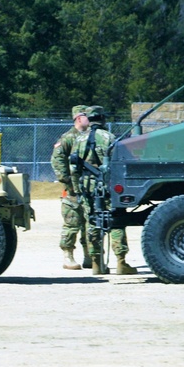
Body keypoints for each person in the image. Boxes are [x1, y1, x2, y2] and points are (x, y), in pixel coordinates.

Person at [71, 105, 138, 276]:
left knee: (92, 221)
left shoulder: (79, 139)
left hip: (87, 186)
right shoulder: (110, 138)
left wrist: (78, 189)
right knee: (116, 219)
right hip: (107, 186)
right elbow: (119, 163)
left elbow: (74, 167)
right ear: (102, 119)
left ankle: (96, 263)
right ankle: (121, 262)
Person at [50, 105, 89, 270]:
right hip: (73, 189)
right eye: (87, 116)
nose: (90, 119)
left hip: (88, 187)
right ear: (79, 118)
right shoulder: (69, 138)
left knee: (89, 223)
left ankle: (89, 255)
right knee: (72, 222)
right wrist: (68, 181)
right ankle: (68, 256)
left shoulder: (90, 136)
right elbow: (57, 160)